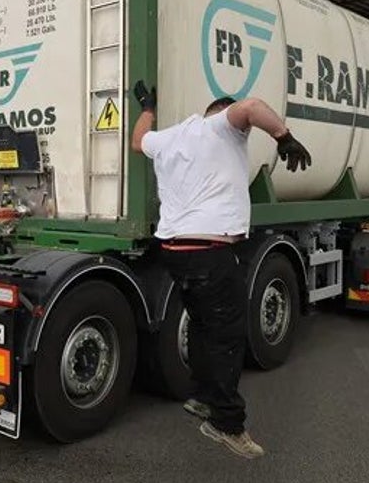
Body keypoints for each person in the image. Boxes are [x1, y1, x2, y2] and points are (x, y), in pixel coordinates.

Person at [131, 81, 311, 459]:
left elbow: (138, 140)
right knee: (229, 335)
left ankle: (201, 396)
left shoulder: (170, 138)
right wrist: (284, 137)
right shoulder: (222, 126)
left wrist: (147, 106)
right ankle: (226, 423)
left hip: (174, 251)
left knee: (200, 324)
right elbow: (252, 106)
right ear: (224, 114)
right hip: (209, 251)